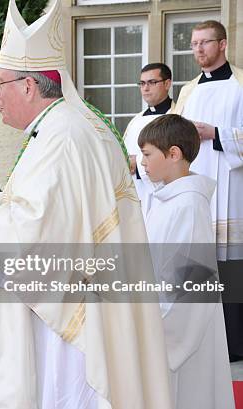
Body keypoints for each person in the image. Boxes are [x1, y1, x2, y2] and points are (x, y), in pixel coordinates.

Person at [0, 1, 173, 408]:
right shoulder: (68, 124)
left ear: (29, 86)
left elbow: (36, 235)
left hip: (75, 318)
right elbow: (54, 211)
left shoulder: (61, 136)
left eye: (2, 84)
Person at [139, 114, 234, 409]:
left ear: (173, 154)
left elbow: (192, 286)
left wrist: (158, 338)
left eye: (147, 154)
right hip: (157, 314)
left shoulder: (189, 205)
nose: (142, 163)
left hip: (180, 335)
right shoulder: (165, 198)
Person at [172, 20, 243, 361]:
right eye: (194, 43)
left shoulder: (241, 83)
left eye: (205, 42)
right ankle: (196, 342)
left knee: (231, 269)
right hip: (195, 191)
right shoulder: (188, 92)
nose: (198, 49)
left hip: (233, 190)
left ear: (223, 44)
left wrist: (216, 134)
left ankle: (234, 344)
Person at [123, 63, 174, 216]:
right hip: (136, 195)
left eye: (152, 82)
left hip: (164, 196)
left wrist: (137, 164)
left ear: (167, 83)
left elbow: (174, 158)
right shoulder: (135, 121)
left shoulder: (177, 117)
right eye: (142, 83)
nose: (145, 88)